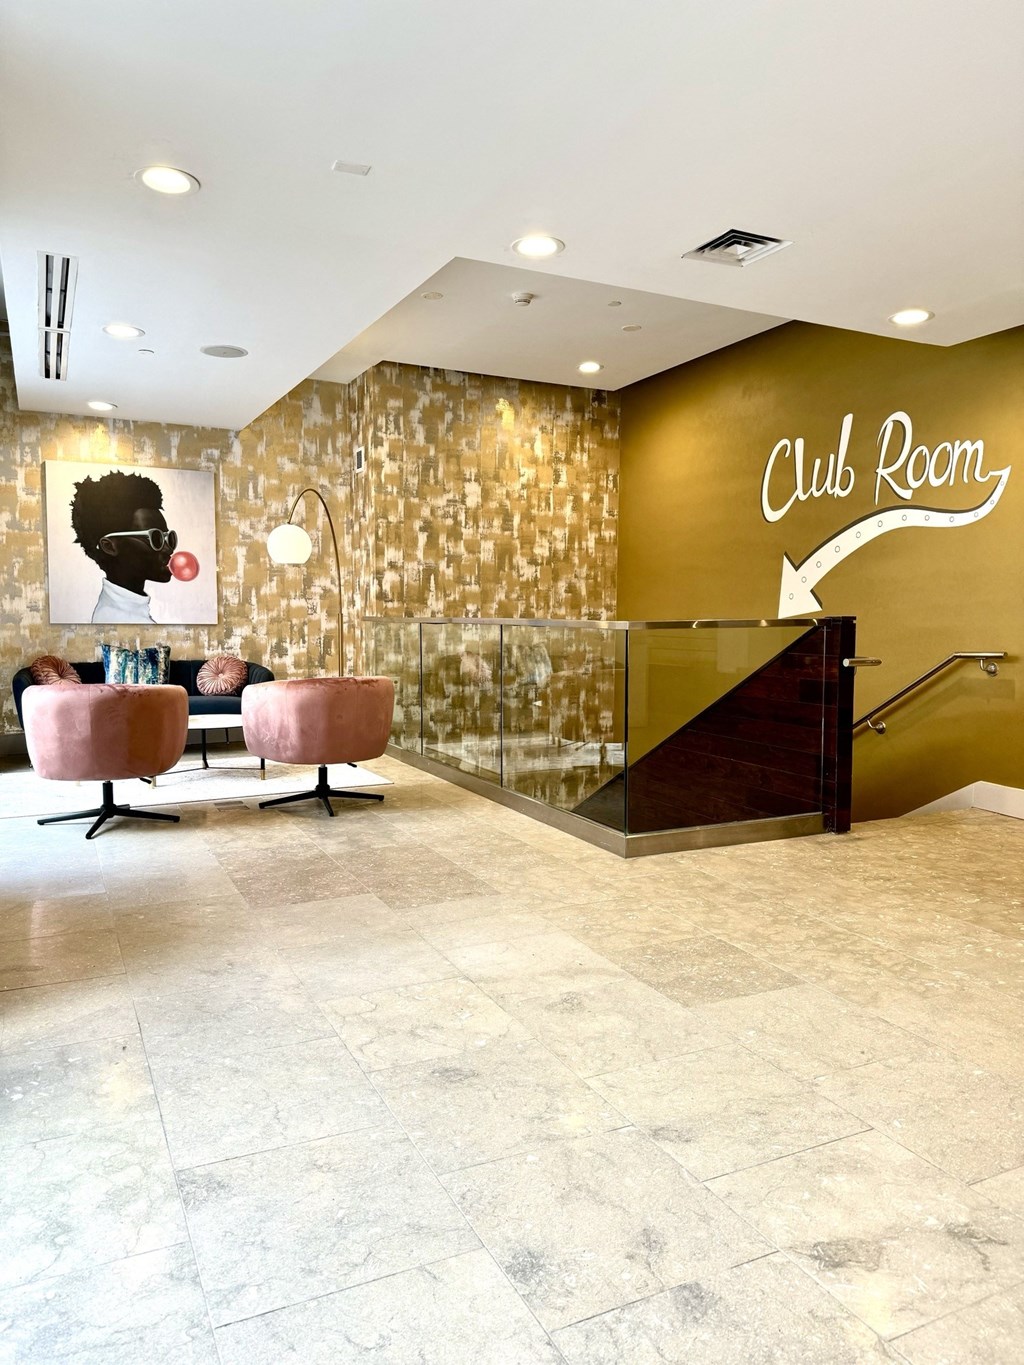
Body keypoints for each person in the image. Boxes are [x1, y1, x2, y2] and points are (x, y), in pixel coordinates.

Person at [69, 470, 177, 623]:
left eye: (168, 538)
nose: (168, 549)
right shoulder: (117, 618)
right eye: (155, 538)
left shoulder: (125, 612)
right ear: (110, 546)